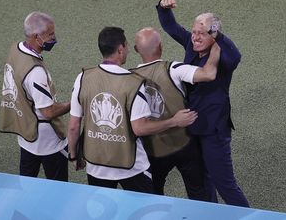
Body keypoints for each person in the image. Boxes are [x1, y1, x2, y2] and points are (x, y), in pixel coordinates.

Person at [66, 26, 198, 193]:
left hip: (97, 166)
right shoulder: (134, 83)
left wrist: (72, 154)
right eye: (127, 46)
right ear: (120, 49)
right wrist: (173, 121)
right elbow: (140, 128)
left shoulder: (83, 78)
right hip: (131, 166)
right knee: (148, 211)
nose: (128, 49)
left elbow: (73, 126)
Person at [156, 0, 250, 207]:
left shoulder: (224, 56)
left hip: (213, 129)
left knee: (225, 184)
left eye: (202, 33)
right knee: (203, 181)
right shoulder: (191, 44)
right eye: (194, 32)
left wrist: (219, 36)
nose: (195, 37)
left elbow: (236, 57)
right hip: (191, 127)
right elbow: (170, 26)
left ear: (214, 34)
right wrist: (162, 6)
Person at [130, 27, 221, 201]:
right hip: (185, 144)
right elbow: (209, 74)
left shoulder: (128, 78)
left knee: (154, 197)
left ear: (136, 50)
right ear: (161, 46)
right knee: (199, 194)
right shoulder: (173, 68)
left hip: (154, 151)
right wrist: (216, 47)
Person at [0, 11, 70, 181]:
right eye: (50, 34)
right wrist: (74, 103)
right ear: (36, 37)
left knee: (26, 183)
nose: (54, 38)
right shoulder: (35, 72)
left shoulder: (15, 49)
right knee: (59, 190)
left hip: (26, 135)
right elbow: (48, 112)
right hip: (47, 141)